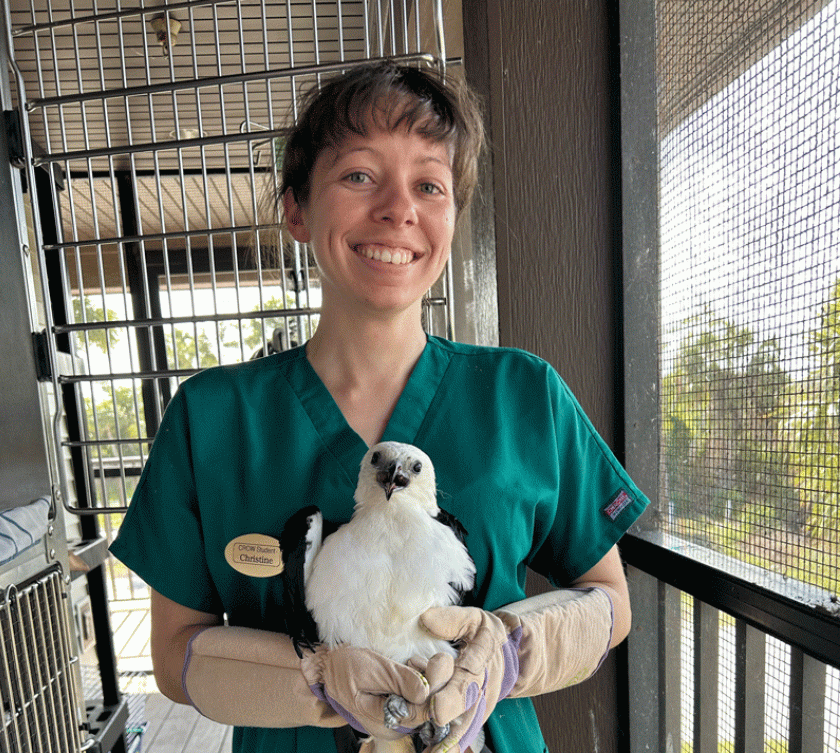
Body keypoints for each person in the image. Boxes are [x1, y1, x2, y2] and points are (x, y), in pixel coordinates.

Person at [110, 62, 649, 753]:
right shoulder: (209, 418)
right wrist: (312, 680)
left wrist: (508, 652)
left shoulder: (524, 395)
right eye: (359, 175)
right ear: (297, 209)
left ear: (451, 217)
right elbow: (174, 657)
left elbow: (610, 601)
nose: (399, 208)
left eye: (430, 184)